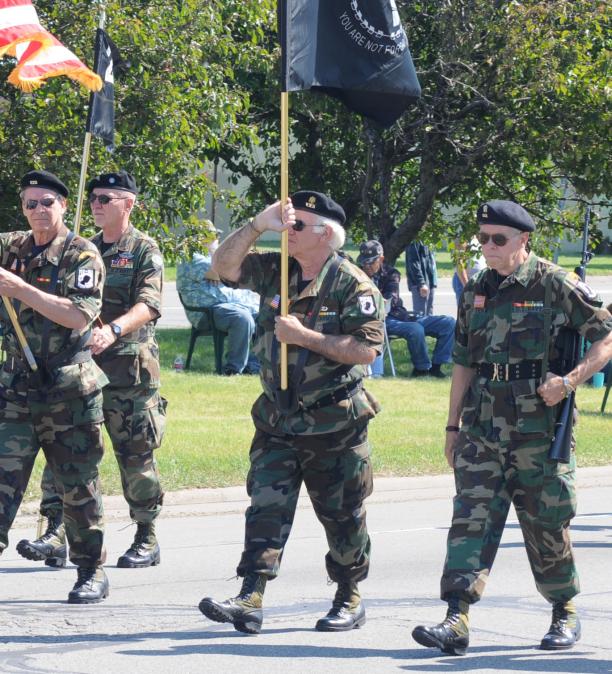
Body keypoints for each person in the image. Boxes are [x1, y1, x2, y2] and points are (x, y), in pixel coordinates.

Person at [412, 200, 612, 655]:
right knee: (470, 519)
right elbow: (463, 361)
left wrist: (569, 381)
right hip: (483, 425)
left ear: (524, 240)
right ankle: (456, 617)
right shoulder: (475, 289)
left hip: (538, 428)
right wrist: (451, 426)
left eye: (497, 239)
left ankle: (564, 610)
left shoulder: (556, 284)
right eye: (482, 238)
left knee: (546, 523)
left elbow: (606, 336)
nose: (487, 247)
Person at [198, 190, 384, 634]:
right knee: (265, 504)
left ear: (326, 235)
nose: (288, 230)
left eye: (296, 225)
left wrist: (306, 338)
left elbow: (366, 350)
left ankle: (348, 594)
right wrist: (257, 224)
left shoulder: (352, 285)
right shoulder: (275, 271)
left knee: (342, 516)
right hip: (278, 419)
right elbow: (222, 268)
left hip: (333, 422)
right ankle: (251, 593)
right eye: (286, 222)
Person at [17, 170, 166, 570]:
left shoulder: (143, 249)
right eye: (94, 198)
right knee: (66, 450)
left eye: (106, 198)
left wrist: (115, 329)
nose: (97, 205)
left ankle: (145, 533)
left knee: (134, 455)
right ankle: (56, 530)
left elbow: (150, 304)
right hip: (80, 368)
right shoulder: (83, 248)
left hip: (128, 372)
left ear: (128, 204)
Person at [0, 170, 109, 603]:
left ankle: (89, 571)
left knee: (77, 486)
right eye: (30, 204)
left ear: (64, 205)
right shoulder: (11, 247)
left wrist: (22, 289)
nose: (39, 211)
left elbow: (79, 316)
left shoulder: (83, 255)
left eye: (47, 202)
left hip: (69, 393)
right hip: (16, 390)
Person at [358, 240, 454, 378]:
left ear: (381, 259)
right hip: (378, 320)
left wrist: (383, 300)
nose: (366, 266)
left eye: (371, 262)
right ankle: (422, 369)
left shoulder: (391, 273)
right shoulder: (357, 276)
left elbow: (392, 297)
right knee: (415, 329)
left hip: (399, 315)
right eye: (364, 262)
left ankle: (437, 367)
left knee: (448, 323)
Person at [176, 225, 260, 375]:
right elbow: (225, 272)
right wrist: (220, 268)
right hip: (207, 313)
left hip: (235, 306)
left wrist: (220, 273)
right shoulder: (190, 258)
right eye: (213, 236)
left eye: (216, 236)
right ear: (198, 239)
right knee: (241, 318)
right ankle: (233, 369)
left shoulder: (212, 260)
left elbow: (230, 273)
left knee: (266, 315)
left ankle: (253, 365)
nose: (217, 240)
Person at [452, 236, 486, 305]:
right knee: (466, 312)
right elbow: (459, 262)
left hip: (479, 281)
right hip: (465, 281)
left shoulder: (477, 235)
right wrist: (467, 286)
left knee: (479, 312)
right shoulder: (463, 235)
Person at [406, 240, 437, 315]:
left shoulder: (428, 237)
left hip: (430, 282)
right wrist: (421, 283)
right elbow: (413, 262)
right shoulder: (415, 240)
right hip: (420, 284)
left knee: (429, 316)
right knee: (420, 315)